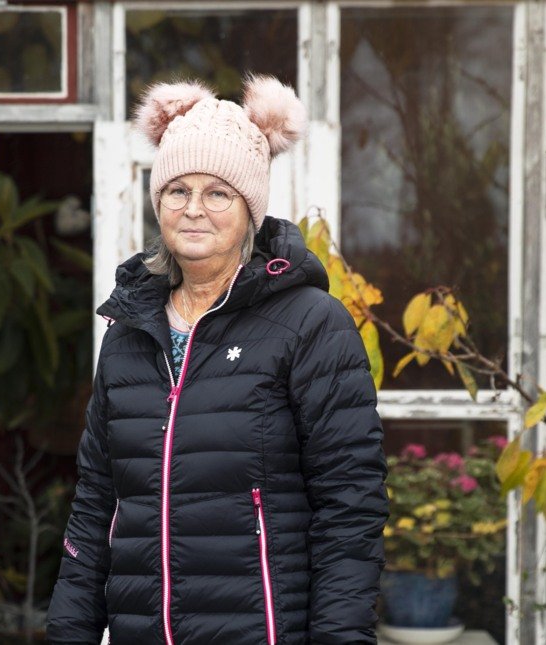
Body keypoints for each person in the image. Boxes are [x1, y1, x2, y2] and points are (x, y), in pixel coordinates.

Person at [46, 75, 389, 644]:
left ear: (249, 209)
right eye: (177, 190)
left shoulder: (309, 324)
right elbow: (95, 506)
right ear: (158, 203)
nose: (194, 209)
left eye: (218, 193)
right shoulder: (129, 333)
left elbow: (350, 508)